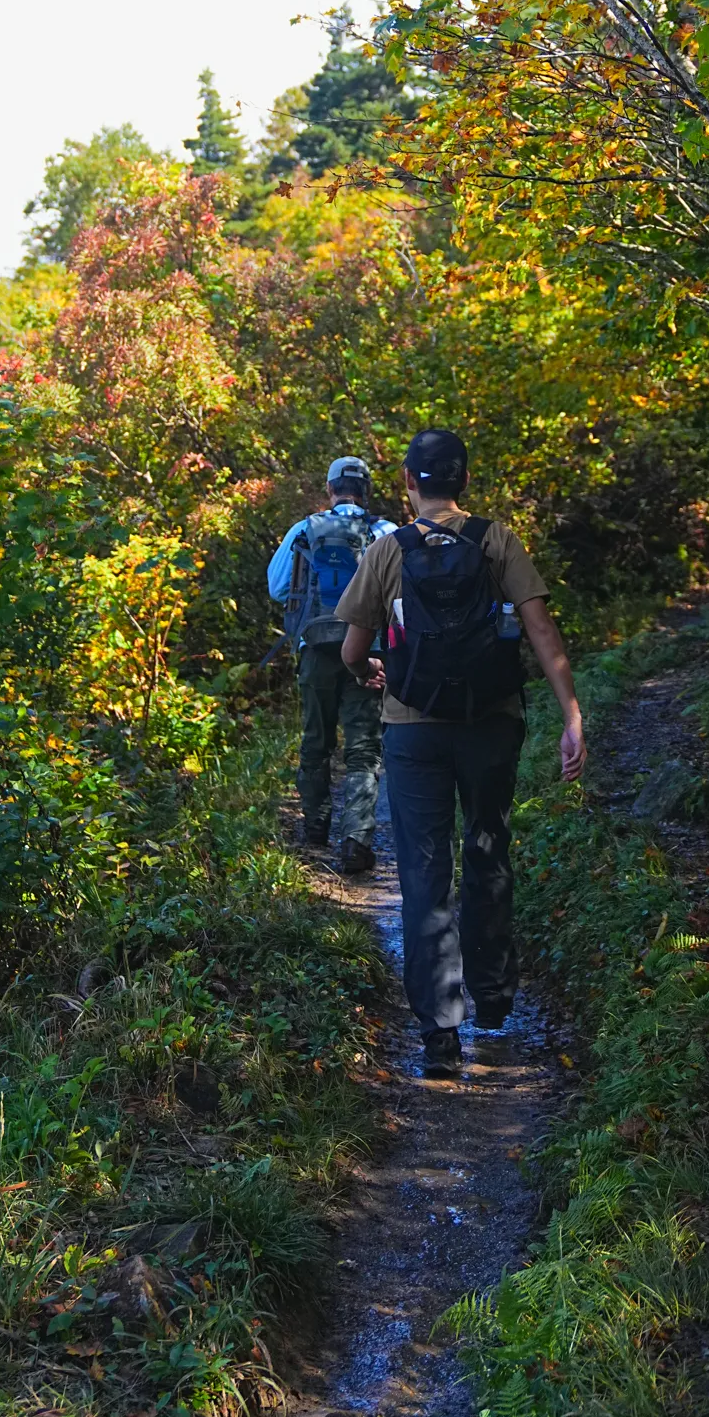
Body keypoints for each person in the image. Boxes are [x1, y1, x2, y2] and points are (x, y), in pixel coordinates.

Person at [336, 426, 586, 1077]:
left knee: (423, 875)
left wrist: (374, 677)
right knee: (487, 850)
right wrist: (571, 715)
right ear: (464, 481)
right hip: (492, 723)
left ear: (410, 483)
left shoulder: (389, 550)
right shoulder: (498, 542)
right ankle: (495, 1007)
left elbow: (351, 652)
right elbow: (540, 629)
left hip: (412, 729)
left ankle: (439, 1038)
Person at [266, 455, 396, 874]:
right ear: (367, 490)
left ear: (330, 489)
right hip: (369, 652)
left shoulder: (304, 530)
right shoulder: (387, 532)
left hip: (316, 649)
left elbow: (277, 587)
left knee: (315, 742)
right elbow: (402, 596)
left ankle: (316, 826)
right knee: (363, 749)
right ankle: (356, 838)